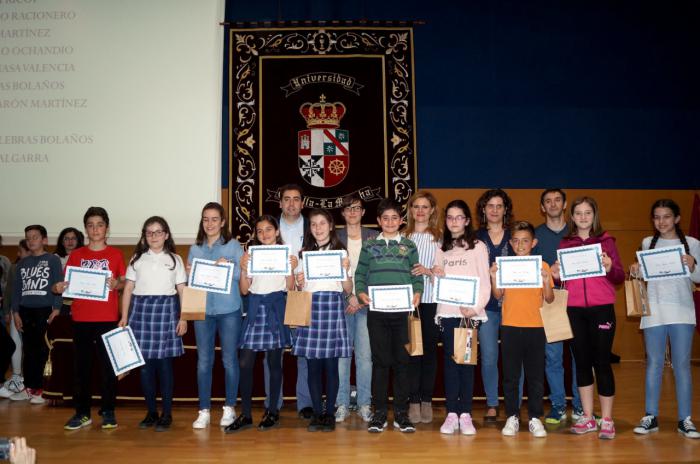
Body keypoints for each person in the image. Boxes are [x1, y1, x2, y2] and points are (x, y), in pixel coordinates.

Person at [552, 196, 624, 439]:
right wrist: (555, 274)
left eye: (587, 213)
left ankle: (607, 419)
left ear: (595, 215)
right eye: (578, 213)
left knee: (602, 363)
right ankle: (587, 417)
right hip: (573, 310)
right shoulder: (565, 243)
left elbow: (619, 277)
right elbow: (562, 280)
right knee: (581, 363)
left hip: (602, 308)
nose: (583, 217)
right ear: (571, 217)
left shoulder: (607, 241)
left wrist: (610, 265)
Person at [631, 199, 700, 439]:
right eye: (657, 217)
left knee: (681, 366)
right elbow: (642, 275)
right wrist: (636, 270)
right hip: (654, 312)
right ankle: (651, 415)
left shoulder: (692, 243)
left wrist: (694, 265)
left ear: (677, 218)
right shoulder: (648, 243)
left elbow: (699, 277)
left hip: (681, 311)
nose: (661, 222)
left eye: (667, 216)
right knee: (654, 364)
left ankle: (686, 419)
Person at [355, 198, 423, 433]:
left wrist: (417, 293)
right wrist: (361, 293)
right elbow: (360, 274)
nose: (390, 222)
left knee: (403, 363)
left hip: (403, 313)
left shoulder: (409, 246)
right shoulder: (369, 245)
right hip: (377, 313)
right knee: (381, 363)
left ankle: (401, 415)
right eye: (385, 218)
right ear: (378, 221)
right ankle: (380, 413)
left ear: (401, 221)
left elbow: (417, 275)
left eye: (395, 217)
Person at [55, 207, 126, 430]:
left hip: (107, 318)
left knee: (108, 367)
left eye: (100, 224)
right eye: (90, 225)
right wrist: (57, 287)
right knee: (82, 368)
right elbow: (67, 286)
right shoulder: (76, 255)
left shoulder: (115, 254)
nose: (95, 229)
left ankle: (108, 411)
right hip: (81, 319)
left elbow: (124, 281)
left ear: (107, 228)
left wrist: (117, 284)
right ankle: (82, 413)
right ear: (86, 229)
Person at [225, 215, 297, 433]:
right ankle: (246, 414)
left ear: (277, 231)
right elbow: (244, 290)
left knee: (274, 363)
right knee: (245, 362)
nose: (264, 234)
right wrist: (244, 268)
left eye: (268, 230)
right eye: (259, 231)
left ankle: (273, 411)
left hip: (275, 307)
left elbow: (290, 289)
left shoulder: (286, 254)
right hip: (255, 308)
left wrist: (291, 268)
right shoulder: (251, 255)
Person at [119, 216, 187, 432]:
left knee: (165, 367)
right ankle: (151, 412)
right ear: (144, 236)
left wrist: (183, 317)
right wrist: (124, 317)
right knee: (146, 368)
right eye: (149, 232)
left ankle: (166, 414)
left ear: (166, 235)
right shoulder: (136, 260)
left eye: (158, 232)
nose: (154, 236)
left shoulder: (175, 259)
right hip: (141, 313)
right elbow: (128, 289)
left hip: (166, 312)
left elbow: (182, 291)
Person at [431, 200, 490, 435]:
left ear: (467, 221)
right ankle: (451, 413)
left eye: (459, 217)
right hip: (447, 312)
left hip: (468, 314)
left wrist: (475, 308)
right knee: (450, 362)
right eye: (450, 217)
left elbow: (485, 281)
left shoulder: (478, 247)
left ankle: (465, 413)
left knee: (465, 362)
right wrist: (436, 275)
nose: (454, 222)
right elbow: (438, 284)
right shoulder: (440, 248)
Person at [491, 221, 554, 438]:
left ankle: (535, 417)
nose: (520, 245)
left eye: (525, 240)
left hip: (536, 327)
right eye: (516, 240)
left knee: (535, 375)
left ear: (533, 243)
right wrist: (493, 276)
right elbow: (498, 295)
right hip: (509, 326)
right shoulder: (505, 266)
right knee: (511, 375)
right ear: (510, 242)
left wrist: (546, 281)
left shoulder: (543, 266)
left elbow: (549, 298)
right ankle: (512, 416)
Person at [294, 209, 353, 432]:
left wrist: (346, 272)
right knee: (313, 365)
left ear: (330, 226)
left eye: (322, 223)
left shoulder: (340, 252)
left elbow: (348, 289)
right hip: (310, 307)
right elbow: (298, 288)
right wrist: (299, 281)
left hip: (332, 306)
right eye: (313, 224)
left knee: (331, 365)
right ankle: (317, 413)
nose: (317, 228)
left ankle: (329, 413)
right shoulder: (303, 253)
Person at [188, 202, 244, 429]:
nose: (209, 223)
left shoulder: (233, 246)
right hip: (203, 310)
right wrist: (190, 272)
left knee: (229, 360)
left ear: (222, 222)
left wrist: (227, 266)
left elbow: (241, 276)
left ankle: (229, 407)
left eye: (214, 219)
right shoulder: (195, 248)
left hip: (229, 309)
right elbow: (192, 282)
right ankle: (204, 410)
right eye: (205, 219)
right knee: (203, 362)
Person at [533, 188, 583, 423]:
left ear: (565, 205)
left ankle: (582, 406)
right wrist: (548, 275)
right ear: (542, 207)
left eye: (557, 201)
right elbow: (530, 269)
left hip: (579, 302)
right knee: (553, 357)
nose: (553, 204)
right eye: (548, 202)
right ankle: (558, 405)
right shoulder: (536, 235)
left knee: (579, 356)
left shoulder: (577, 232)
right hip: (551, 301)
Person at [9, 225, 63, 404]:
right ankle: (29, 387)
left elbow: (59, 284)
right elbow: (16, 291)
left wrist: (56, 308)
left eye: (35, 237)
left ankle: (42, 388)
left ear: (44, 240)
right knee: (29, 349)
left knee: (43, 349)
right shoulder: (22, 263)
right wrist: (16, 312)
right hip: (26, 311)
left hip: (45, 310)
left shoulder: (52, 260)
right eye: (28, 238)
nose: (31, 241)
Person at [335, 194, 377, 423]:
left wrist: (360, 298)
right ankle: (341, 403)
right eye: (348, 208)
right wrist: (348, 296)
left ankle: (364, 403)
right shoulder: (334, 237)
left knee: (365, 356)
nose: (352, 212)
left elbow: (379, 270)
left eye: (356, 208)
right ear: (342, 213)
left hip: (366, 302)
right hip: (341, 302)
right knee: (342, 356)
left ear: (363, 212)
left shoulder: (375, 236)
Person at [475, 188, 514, 422]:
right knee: (489, 356)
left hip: (514, 304)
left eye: (499, 206)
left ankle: (513, 402)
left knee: (513, 356)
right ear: (483, 209)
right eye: (490, 206)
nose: (495, 210)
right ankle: (491, 403)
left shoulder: (517, 235)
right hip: (486, 305)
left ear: (505, 209)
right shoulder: (475, 237)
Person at [276, 183, 313, 419]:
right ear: (280, 203)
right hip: (275, 296)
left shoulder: (313, 227)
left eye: (296, 199)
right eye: (287, 199)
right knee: (274, 352)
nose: (291, 203)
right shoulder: (267, 227)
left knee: (304, 353)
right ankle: (274, 402)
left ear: (302, 202)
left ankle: (306, 403)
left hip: (302, 294)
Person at [404, 191, 442, 424]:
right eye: (416, 207)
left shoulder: (440, 238)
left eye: (425, 207)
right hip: (406, 303)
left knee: (428, 351)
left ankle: (426, 399)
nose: (420, 211)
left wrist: (428, 272)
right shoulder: (402, 236)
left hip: (430, 302)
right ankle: (413, 400)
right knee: (411, 353)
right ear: (410, 210)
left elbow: (444, 272)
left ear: (432, 211)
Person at [0, 240, 30, 399]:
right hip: (15, 311)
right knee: (13, 343)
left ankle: (29, 381)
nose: (18, 254)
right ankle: (17, 377)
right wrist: (8, 310)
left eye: (21, 251)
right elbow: (9, 291)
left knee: (29, 346)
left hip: (34, 311)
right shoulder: (14, 267)